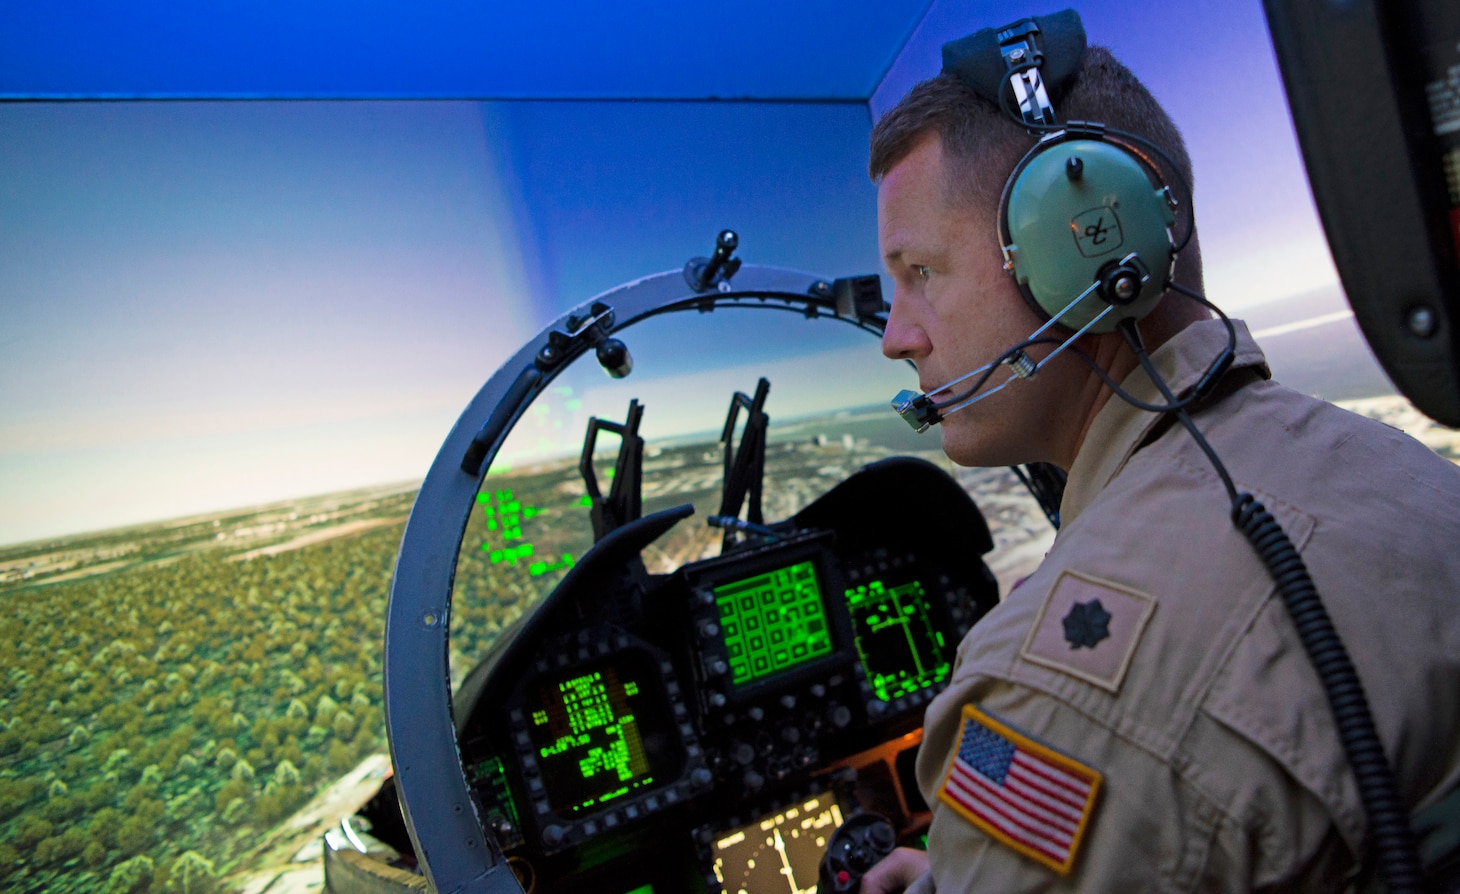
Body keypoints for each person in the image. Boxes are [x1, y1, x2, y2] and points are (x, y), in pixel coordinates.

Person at [860, 34, 1460, 894]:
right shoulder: (1402, 470)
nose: (895, 336)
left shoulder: (1046, 701)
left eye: (921, 272)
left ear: (1084, 249)